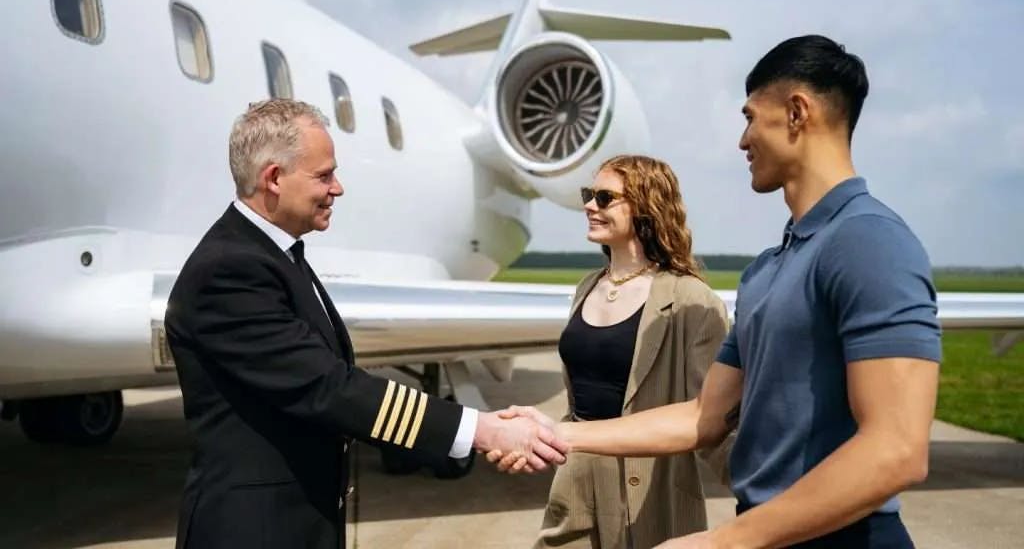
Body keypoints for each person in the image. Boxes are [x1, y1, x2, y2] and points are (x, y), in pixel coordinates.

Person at [492, 35, 941, 549]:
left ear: (797, 112)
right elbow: (702, 416)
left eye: (750, 117)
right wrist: (556, 433)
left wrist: (721, 542)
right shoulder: (767, 271)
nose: (742, 140)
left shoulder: (869, 241)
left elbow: (898, 449)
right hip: (769, 532)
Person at [164, 99, 566, 549]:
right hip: (253, 531)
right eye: (323, 175)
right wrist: (483, 430)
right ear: (274, 179)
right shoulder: (231, 270)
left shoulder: (271, 255)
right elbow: (329, 389)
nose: (337, 188)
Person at [532, 155, 731, 549]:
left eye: (604, 198)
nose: (589, 206)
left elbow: (716, 414)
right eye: (590, 195)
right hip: (576, 482)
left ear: (645, 206)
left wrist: (768, 487)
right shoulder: (587, 286)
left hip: (653, 494)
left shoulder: (690, 299)